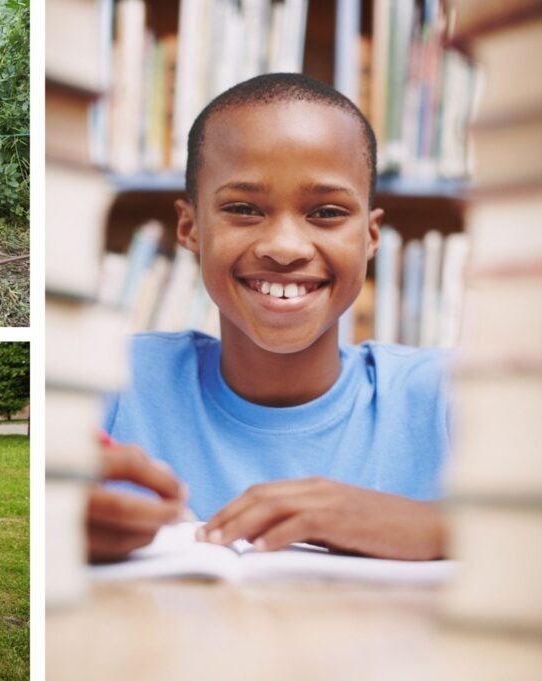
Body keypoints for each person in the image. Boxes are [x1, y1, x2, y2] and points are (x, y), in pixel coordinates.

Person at [100, 72, 451, 562]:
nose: (285, 248)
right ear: (190, 226)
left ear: (370, 237)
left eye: (327, 212)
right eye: (243, 208)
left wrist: (436, 527)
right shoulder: (110, 382)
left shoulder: (446, 397)